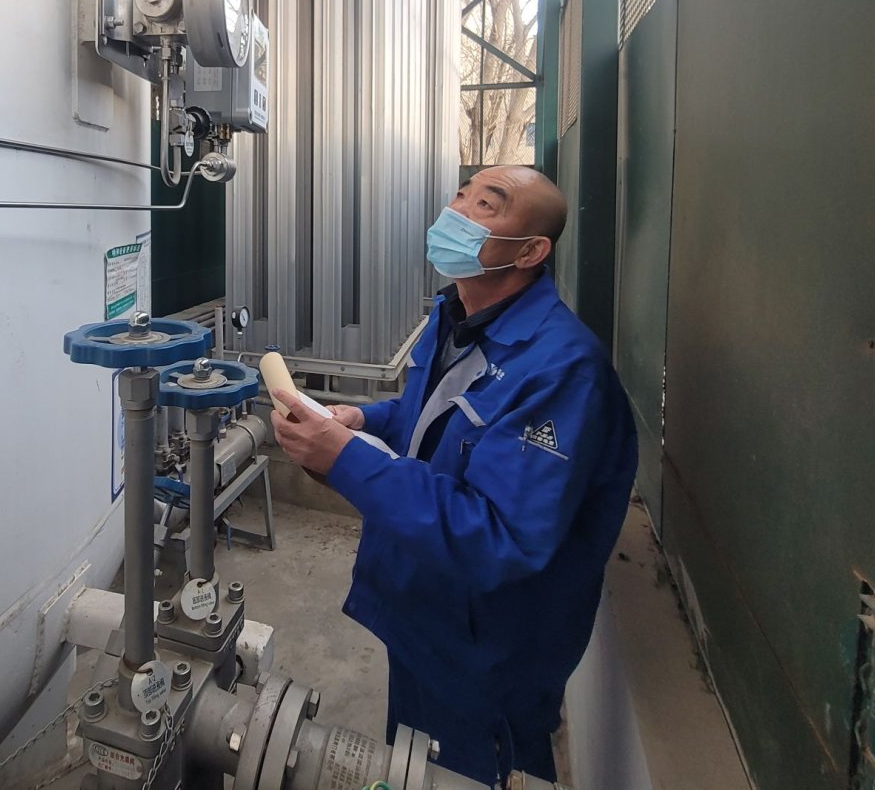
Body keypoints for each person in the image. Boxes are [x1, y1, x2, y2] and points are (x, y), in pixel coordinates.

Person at [270, 165, 638, 787]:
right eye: (461, 196)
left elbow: (500, 537)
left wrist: (346, 458)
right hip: (424, 611)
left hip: (486, 651)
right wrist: (363, 420)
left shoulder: (564, 372)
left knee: (468, 772)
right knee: (411, 763)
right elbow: (432, 418)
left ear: (531, 251)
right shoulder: (457, 316)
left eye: (486, 205)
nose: (457, 213)